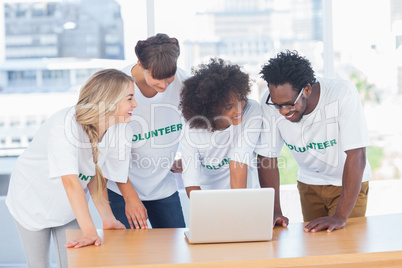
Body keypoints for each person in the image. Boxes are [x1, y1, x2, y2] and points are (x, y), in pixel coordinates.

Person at [6, 69, 137, 267]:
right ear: (111, 99)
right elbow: (70, 181)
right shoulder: (65, 125)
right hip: (32, 200)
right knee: (39, 263)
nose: (135, 104)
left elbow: (96, 175)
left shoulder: (120, 129)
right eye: (130, 98)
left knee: (74, 263)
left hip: (67, 206)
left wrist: (107, 218)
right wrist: (89, 231)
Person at [256, 50, 372, 232]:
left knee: (346, 249)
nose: (282, 111)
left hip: (347, 183)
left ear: (307, 90)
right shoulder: (270, 102)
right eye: (277, 105)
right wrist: (275, 210)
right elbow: (266, 157)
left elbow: (357, 155)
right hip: (309, 183)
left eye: (288, 104)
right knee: (315, 252)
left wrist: (340, 216)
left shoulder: (342, 94)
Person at [107, 33, 189, 229]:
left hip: (163, 186)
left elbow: (199, 126)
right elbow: (108, 151)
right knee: (130, 255)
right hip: (122, 187)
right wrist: (131, 197)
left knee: (176, 253)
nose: (164, 85)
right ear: (140, 64)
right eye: (157, 78)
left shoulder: (184, 82)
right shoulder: (116, 88)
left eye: (169, 78)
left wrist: (188, 157)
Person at [179, 58, 262, 197]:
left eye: (241, 100)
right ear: (210, 108)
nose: (239, 111)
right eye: (229, 107)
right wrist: (204, 208)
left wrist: (238, 208)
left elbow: (238, 161)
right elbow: (191, 181)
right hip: (210, 198)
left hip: (245, 195)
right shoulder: (191, 129)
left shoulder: (251, 110)